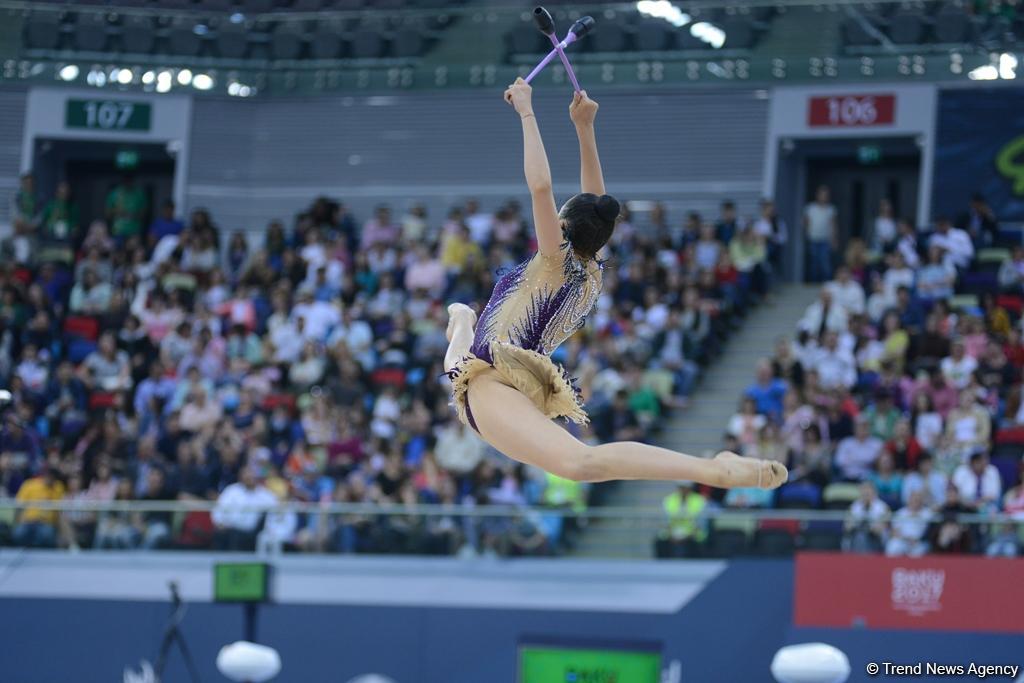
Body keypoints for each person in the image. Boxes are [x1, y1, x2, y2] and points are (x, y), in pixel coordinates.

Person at [443, 80, 786, 490]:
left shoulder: (554, 260)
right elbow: (597, 205)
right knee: (462, 356)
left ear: (562, 225)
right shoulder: (590, 271)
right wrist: (585, 129)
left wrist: (527, 112)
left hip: (492, 382)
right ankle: (461, 318)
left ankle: (714, 469)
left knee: (579, 462)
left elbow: (541, 187)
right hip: (493, 381)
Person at [803, 185, 837, 283]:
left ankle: (826, 283)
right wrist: (808, 233)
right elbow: (805, 222)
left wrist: (834, 239)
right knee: (814, 263)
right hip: (813, 239)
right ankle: (813, 283)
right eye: (822, 195)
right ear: (817, 195)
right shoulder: (810, 208)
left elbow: (833, 225)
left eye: (825, 195)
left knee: (824, 262)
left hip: (825, 239)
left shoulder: (831, 209)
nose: (823, 197)